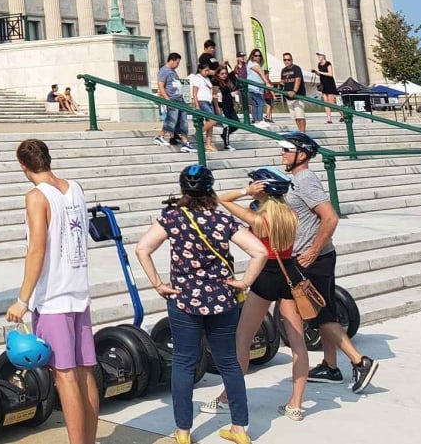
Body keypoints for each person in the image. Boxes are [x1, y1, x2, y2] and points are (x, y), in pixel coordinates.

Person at [134, 165, 267, 444]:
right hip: (221, 299)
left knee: (184, 363)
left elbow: (142, 248)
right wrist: (244, 282)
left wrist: (158, 283)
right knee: (229, 363)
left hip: (183, 299)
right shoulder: (222, 220)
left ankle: (183, 431)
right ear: (210, 189)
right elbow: (259, 251)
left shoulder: (171, 218)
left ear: (183, 189)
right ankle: (239, 428)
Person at [3, 140, 98, 444]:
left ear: (23, 166)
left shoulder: (36, 197)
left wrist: (22, 300)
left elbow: (37, 251)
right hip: (79, 291)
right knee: (85, 372)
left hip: (54, 296)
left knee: (65, 375)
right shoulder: (76, 188)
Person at [276, 131, 380, 393]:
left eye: (287, 149)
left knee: (320, 316)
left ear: (302, 154)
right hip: (318, 257)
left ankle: (360, 362)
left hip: (312, 259)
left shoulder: (304, 181)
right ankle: (330, 367)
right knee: (325, 313)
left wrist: (312, 250)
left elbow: (330, 218)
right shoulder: (296, 180)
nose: (283, 153)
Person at [211, 168, 309, 421]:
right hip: (290, 274)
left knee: (243, 338)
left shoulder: (259, 220)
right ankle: (296, 404)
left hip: (265, 276)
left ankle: (226, 397)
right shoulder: (292, 215)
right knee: (297, 341)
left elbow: (220, 199)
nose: (250, 185)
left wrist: (246, 192)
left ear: (262, 189)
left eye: (253, 183)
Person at [154, 53, 193, 153]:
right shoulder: (164, 71)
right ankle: (160, 136)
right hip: (172, 99)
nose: (178, 65)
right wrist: (167, 98)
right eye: (177, 62)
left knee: (183, 122)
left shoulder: (173, 71)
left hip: (180, 99)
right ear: (172, 60)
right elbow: (161, 85)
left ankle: (186, 143)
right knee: (171, 119)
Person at [191, 61, 219, 154]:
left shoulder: (207, 79)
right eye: (205, 70)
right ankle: (198, 133)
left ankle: (208, 144)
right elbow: (194, 92)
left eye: (208, 70)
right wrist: (197, 104)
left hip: (208, 100)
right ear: (200, 70)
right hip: (201, 100)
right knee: (213, 120)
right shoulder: (197, 78)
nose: (207, 72)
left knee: (210, 123)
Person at [279, 52, 308, 133]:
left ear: (291, 60)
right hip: (288, 97)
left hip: (298, 96)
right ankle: (300, 132)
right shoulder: (283, 70)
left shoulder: (296, 68)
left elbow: (298, 80)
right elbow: (282, 81)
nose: (286, 61)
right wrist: (279, 88)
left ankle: (303, 133)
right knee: (295, 117)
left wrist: (294, 91)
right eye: (285, 60)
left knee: (300, 116)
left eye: (288, 59)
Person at [244, 49, 272, 127]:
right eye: (256, 55)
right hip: (253, 87)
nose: (258, 57)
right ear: (252, 56)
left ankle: (257, 121)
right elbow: (259, 72)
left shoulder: (259, 64)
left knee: (256, 104)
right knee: (260, 102)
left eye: (259, 55)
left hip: (259, 88)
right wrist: (267, 83)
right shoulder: (251, 63)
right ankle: (259, 120)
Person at [214, 65, 239, 150]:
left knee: (236, 124)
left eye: (225, 73)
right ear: (218, 75)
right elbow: (215, 96)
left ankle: (224, 135)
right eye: (222, 74)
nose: (224, 75)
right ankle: (226, 144)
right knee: (227, 125)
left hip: (230, 106)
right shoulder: (216, 83)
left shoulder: (227, 82)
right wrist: (217, 107)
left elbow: (233, 74)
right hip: (223, 107)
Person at [315, 52, 339, 123]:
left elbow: (330, 74)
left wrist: (320, 72)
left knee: (331, 102)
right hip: (323, 84)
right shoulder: (319, 64)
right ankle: (329, 119)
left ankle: (342, 114)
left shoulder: (328, 63)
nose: (319, 57)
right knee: (325, 102)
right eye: (318, 56)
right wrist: (316, 72)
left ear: (323, 56)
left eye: (320, 56)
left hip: (329, 83)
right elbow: (320, 74)